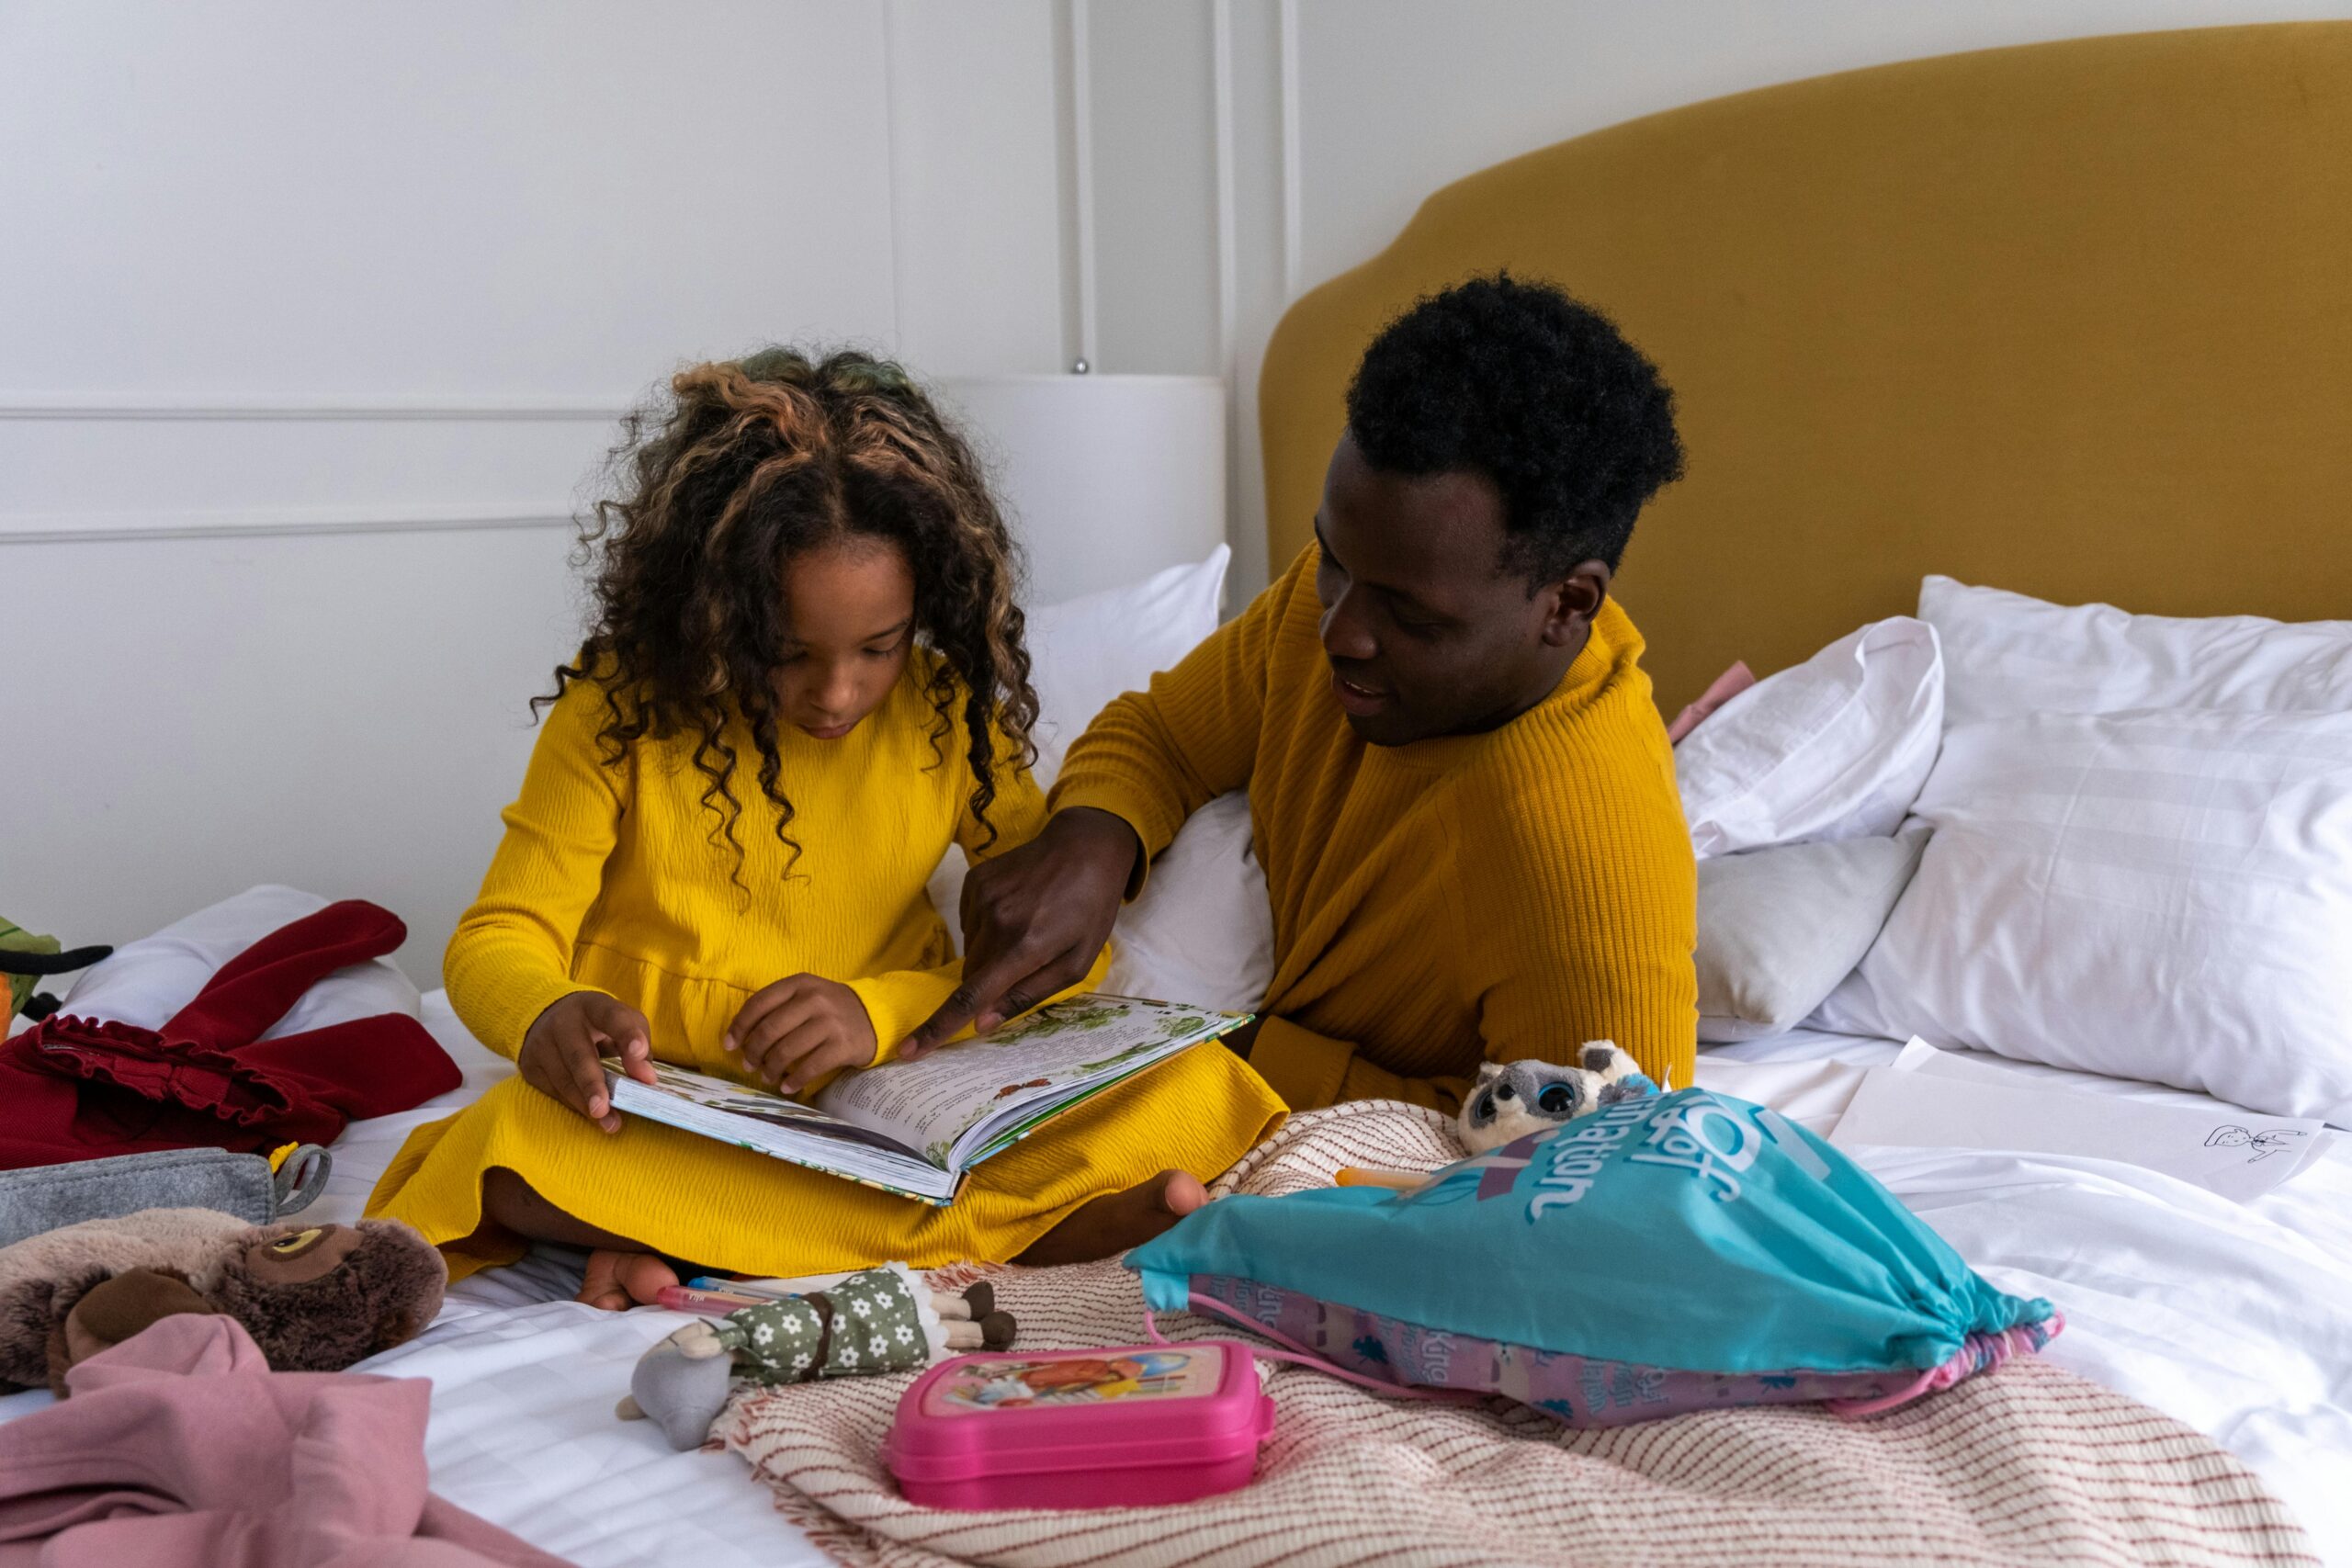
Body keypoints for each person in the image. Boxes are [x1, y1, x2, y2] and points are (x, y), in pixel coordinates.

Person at [366, 349, 1284, 1309]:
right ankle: (1019, 1233)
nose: (838, 693)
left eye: (879, 648)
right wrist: (543, 1016)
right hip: (682, 1114)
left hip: (885, 1104)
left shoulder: (947, 716)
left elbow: (1056, 950)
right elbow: (497, 937)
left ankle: (743, 1249)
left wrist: (874, 1014)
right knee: (503, 1148)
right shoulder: (618, 713)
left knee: (1197, 1086)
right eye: (788, 653)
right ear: (713, 610)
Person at [908, 275, 1698, 1111]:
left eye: (1410, 615)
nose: (1341, 633)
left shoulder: (1585, 869)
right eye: (1332, 560)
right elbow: (1162, 735)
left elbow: (1580, 1178)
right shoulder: (1354, 596)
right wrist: (1092, 840)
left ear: (1568, 605)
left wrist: (1215, 1040)